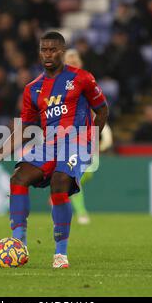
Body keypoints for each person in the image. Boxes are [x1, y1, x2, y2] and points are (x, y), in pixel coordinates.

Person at [0, 32, 109, 268]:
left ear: (62, 51)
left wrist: (90, 141)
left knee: (59, 181)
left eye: (53, 49)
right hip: (49, 144)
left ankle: (60, 254)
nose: (48, 54)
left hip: (76, 142)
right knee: (18, 177)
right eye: (44, 49)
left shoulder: (82, 78)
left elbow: (103, 110)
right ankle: (18, 245)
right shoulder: (32, 89)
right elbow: (24, 129)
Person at [63, 49, 113, 224]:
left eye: (75, 59)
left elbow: (97, 108)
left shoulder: (87, 81)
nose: (73, 62)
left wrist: (103, 130)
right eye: (69, 60)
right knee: (76, 174)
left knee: (87, 173)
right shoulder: (59, 84)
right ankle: (82, 213)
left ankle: (62, 191)